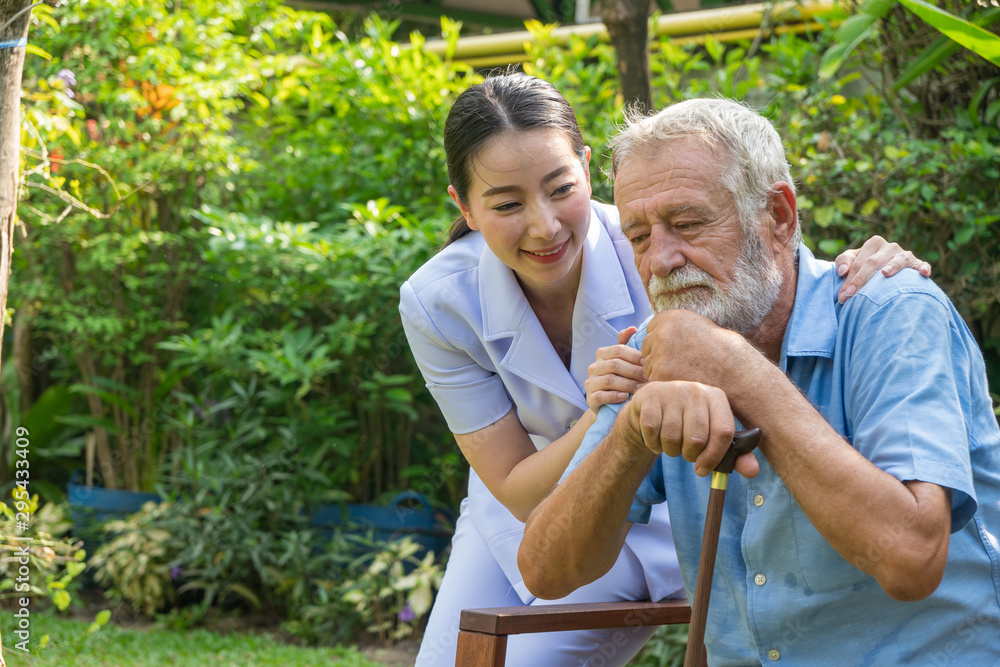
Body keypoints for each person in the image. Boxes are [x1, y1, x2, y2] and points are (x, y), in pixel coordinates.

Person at [399, 73, 931, 666]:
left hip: (662, 503)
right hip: (540, 500)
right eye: (505, 204)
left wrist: (877, 265)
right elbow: (522, 499)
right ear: (464, 207)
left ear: (583, 165)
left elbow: (775, 271)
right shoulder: (438, 300)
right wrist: (616, 415)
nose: (545, 225)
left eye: (560, 188)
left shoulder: (656, 227)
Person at [518, 97, 1000, 665]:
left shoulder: (892, 314)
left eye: (687, 223)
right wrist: (629, 433)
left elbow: (911, 559)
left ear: (778, 217)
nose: (661, 260)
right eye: (640, 236)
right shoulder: (657, 350)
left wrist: (735, 370)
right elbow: (546, 572)